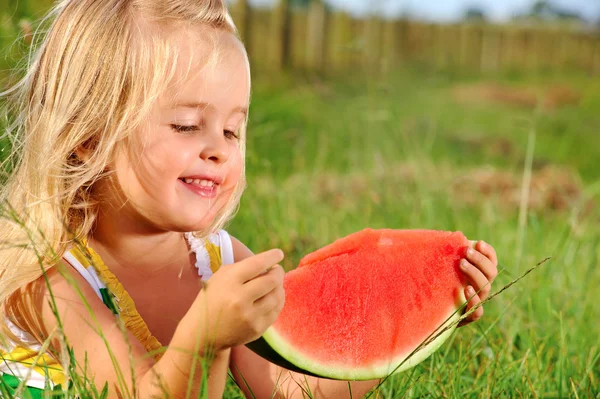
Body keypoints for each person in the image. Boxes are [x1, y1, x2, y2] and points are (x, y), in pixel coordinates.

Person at [0, 0, 499, 397]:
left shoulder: (218, 260)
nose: (217, 149)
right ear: (89, 136)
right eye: (186, 125)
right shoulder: (49, 277)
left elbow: (291, 391)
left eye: (233, 130)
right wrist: (205, 341)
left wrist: (425, 315)